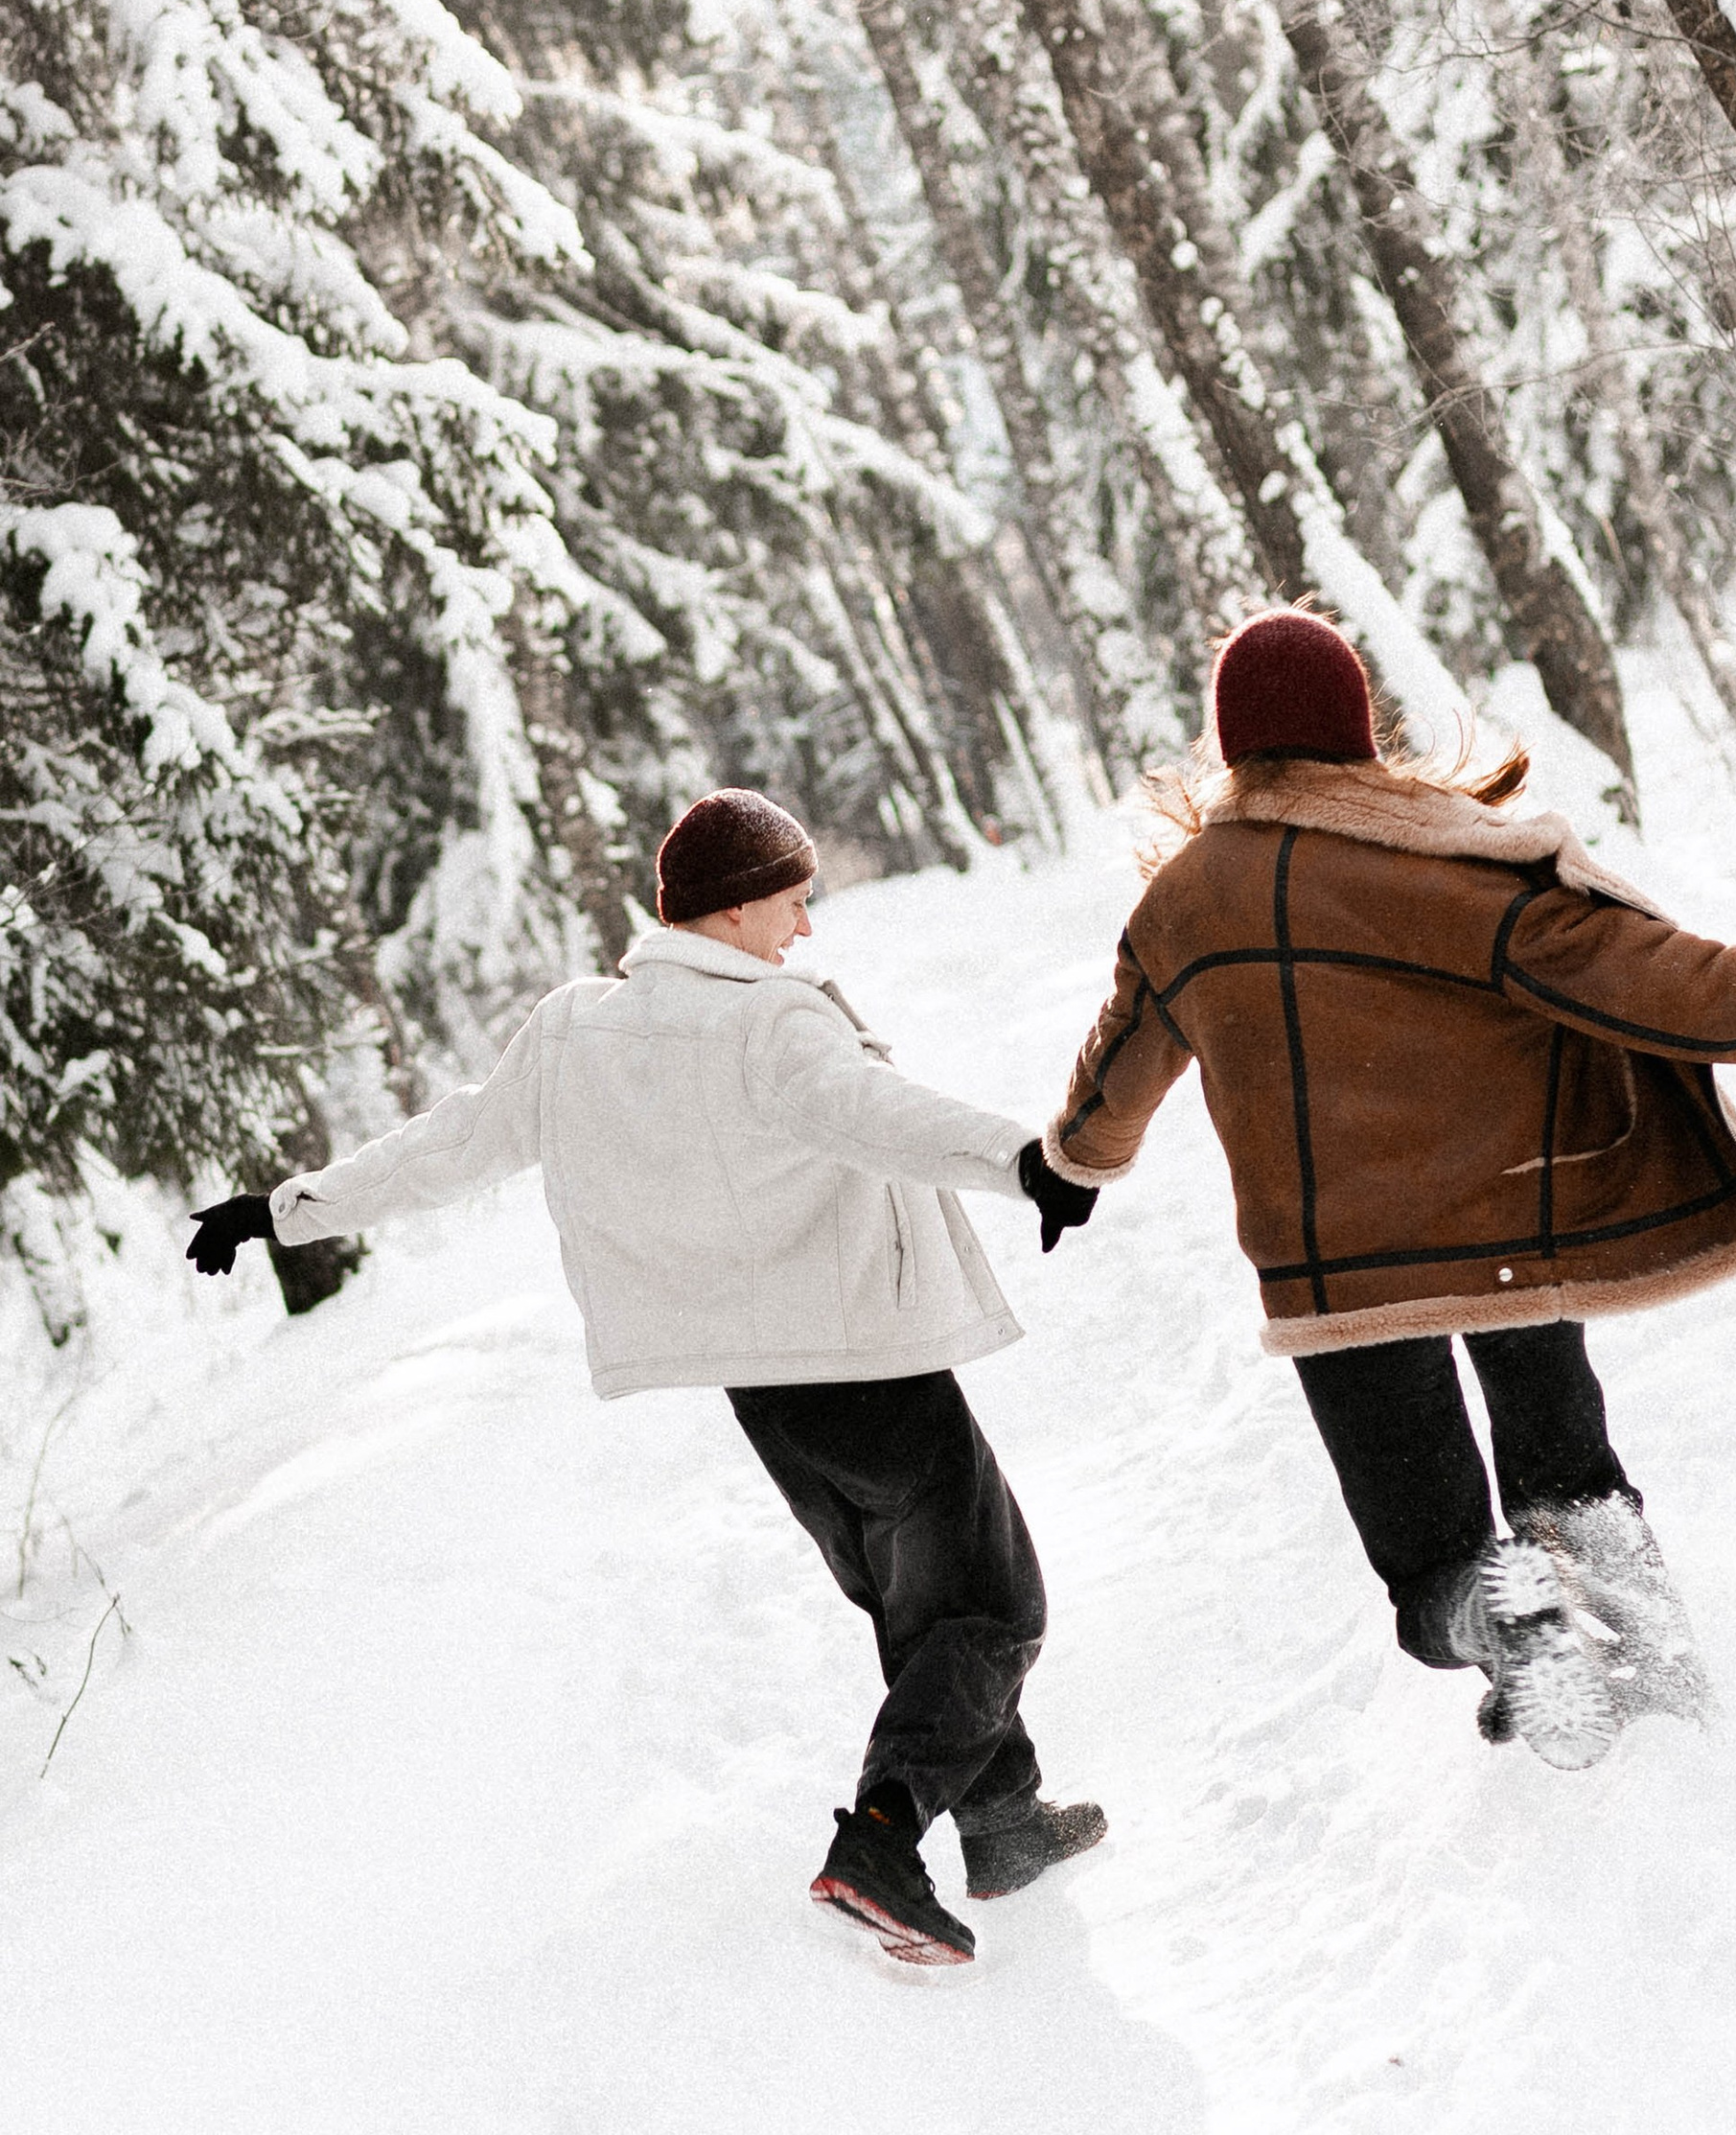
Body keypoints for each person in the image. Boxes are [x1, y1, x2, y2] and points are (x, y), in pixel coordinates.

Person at [187, 787, 1104, 1967]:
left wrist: (283, 1208)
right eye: (791, 901)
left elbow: (453, 1142)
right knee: (991, 1606)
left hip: (764, 1388)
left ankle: (1005, 1821)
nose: (804, 931)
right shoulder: (771, 1023)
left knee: (916, 1604)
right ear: (728, 913)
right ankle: (882, 1840)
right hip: (863, 1362)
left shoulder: (577, 1027)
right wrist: (1031, 1162)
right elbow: (874, 1114)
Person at [1040, 614, 1736, 1769]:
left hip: (1338, 1282)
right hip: (1505, 1234)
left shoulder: (1182, 901)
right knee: (1571, 1480)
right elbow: (1649, 975)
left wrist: (1075, 1165)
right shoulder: (1440, 865)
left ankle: (1505, 1623)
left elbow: (1121, 1059)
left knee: (1428, 1559)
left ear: (1231, 743)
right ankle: (1657, 1674)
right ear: (1356, 726)